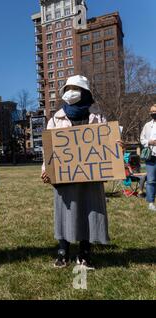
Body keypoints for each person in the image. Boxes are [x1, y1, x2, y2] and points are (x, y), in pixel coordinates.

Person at [41, 75, 119, 269]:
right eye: (68, 88)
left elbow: (107, 143)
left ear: (85, 91)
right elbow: (48, 149)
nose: (71, 92)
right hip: (64, 176)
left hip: (91, 176)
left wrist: (116, 148)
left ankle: (84, 252)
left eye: (75, 88)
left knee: (89, 210)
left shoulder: (98, 115)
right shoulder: (56, 118)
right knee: (65, 211)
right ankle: (62, 250)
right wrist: (46, 169)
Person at [139, 104, 156, 211]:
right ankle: (150, 202)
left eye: (155, 111)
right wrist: (149, 142)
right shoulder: (147, 125)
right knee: (151, 180)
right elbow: (142, 139)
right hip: (151, 156)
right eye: (152, 111)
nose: (153, 113)